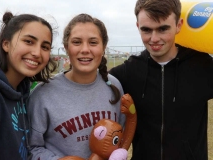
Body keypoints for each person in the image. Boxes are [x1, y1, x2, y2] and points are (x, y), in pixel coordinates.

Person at [109, 0, 213, 159]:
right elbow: (89, 82)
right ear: (138, 26)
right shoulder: (128, 71)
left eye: (163, 29)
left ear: (179, 25)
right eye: (146, 30)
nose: (154, 38)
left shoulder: (203, 66)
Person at [27, 13, 125, 160]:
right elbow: (31, 148)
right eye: (77, 42)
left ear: (103, 47)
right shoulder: (42, 94)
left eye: (93, 42)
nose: (85, 49)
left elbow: (120, 137)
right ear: (66, 47)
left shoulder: (114, 86)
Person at [0, 11, 57, 160]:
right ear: (6, 44)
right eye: (29, 42)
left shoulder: (22, 89)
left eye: (45, 47)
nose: (37, 52)